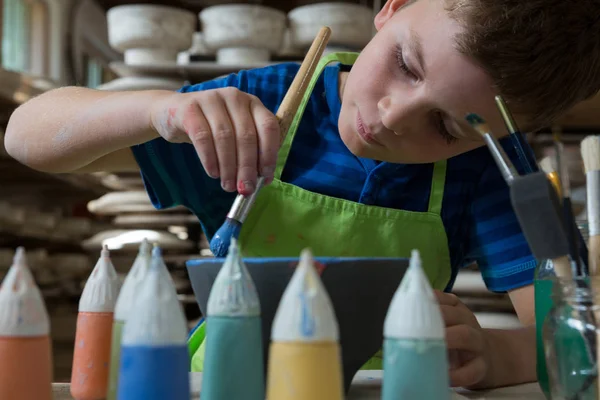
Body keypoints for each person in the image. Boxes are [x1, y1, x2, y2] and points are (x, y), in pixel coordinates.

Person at [5, 0, 600, 390]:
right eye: (407, 65)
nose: (394, 117)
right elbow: (27, 136)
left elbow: (568, 336)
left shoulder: (487, 170)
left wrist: (500, 357)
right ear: (389, 9)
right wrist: (160, 108)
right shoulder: (263, 106)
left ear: (495, 136)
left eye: (446, 127)